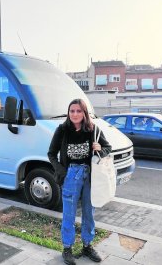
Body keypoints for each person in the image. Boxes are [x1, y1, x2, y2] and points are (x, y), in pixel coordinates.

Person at [48, 98, 111, 265]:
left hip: (89, 176)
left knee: (89, 213)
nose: (75, 114)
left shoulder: (93, 129)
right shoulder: (62, 130)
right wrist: (62, 171)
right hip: (70, 175)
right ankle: (67, 248)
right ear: (68, 113)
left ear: (84, 113)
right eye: (72, 111)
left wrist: (101, 149)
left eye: (78, 111)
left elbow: (108, 148)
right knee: (68, 213)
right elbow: (51, 154)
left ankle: (87, 246)